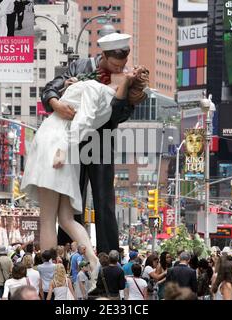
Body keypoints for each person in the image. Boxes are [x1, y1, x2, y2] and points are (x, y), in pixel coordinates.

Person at [39, 32, 149, 256]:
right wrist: (56, 104)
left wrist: (125, 86)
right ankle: (70, 252)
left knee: (104, 199)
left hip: (101, 139)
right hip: (71, 138)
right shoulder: (80, 66)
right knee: (71, 196)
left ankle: (109, 255)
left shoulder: (128, 80)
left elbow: (118, 116)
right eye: (116, 64)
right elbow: (49, 88)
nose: (119, 69)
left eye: (123, 64)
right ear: (105, 57)